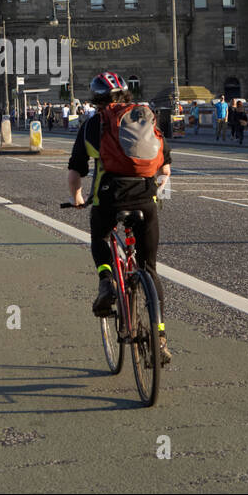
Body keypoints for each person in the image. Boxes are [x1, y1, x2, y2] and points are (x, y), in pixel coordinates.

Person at [67, 72, 173, 364]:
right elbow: (165, 168)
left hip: (109, 199)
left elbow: (76, 171)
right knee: (149, 268)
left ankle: (106, 280)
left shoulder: (92, 125)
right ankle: (160, 337)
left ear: (96, 101)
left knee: (100, 236)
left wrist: (77, 198)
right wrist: (157, 186)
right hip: (145, 200)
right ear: (125, 96)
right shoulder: (145, 119)